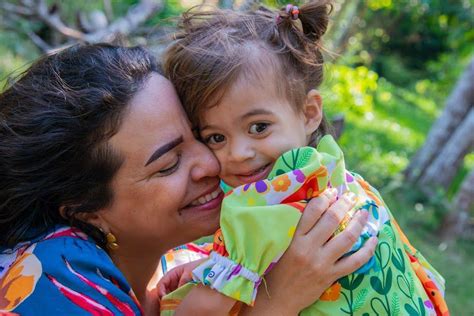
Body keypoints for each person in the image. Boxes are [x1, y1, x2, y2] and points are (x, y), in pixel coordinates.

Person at [0, 43, 377, 315]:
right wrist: (276, 303)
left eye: (202, 135)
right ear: (87, 211)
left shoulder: (187, 267)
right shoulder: (48, 280)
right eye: (168, 164)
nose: (212, 164)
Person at [160, 1, 449, 315]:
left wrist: (201, 287)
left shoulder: (262, 204)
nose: (238, 153)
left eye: (259, 127)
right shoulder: (333, 171)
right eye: (216, 137)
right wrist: (212, 265)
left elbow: (200, 311)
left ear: (309, 113)